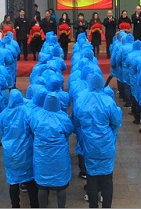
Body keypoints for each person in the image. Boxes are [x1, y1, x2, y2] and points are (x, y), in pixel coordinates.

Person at [72, 74, 122, 208]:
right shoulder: (108, 101)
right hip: (106, 144)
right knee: (107, 177)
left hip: (88, 145)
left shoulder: (80, 101)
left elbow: (76, 124)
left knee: (91, 177)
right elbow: (116, 122)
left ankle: (93, 205)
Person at [29, 93, 74, 208]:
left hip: (41, 156)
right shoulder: (63, 117)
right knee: (61, 185)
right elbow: (69, 130)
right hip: (59, 156)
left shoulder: (37, 116)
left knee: (42, 185)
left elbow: (32, 128)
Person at [0, 89, 39, 208]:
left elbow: (1, 131)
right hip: (26, 152)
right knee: (30, 180)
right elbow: (34, 130)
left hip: (10, 152)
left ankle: (15, 205)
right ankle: (34, 204)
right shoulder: (28, 112)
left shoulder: (3, 114)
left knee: (13, 182)